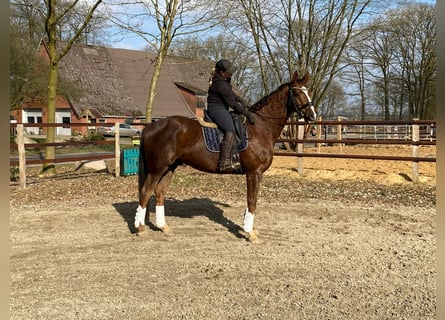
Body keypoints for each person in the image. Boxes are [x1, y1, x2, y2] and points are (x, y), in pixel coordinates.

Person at [206, 59, 257, 172]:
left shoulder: (223, 81)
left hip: (221, 108)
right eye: (230, 71)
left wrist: (242, 100)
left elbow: (231, 94)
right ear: (222, 72)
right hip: (216, 109)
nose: (232, 73)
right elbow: (232, 104)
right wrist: (247, 113)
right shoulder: (221, 84)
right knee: (230, 130)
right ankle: (224, 162)